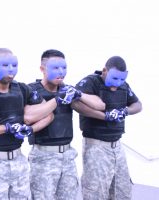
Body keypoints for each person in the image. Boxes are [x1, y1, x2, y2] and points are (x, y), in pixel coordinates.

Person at [0, 48, 70, 200]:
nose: (11, 69)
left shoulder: (22, 89)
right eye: (5, 65)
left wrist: (30, 129)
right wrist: (4, 128)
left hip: (18, 161)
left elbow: (48, 114)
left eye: (14, 65)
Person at [27, 49, 105, 200]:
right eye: (55, 68)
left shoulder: (67, 90)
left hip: (67, 157)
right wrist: (55, 100)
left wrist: (79, 94)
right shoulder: (31, 91)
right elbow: (28, 117)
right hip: (44, 157)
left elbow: (100, 105)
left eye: (64, 67)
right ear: (42, 69)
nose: (61, 72)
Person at [72, 56, 142, 200]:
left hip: (117, 146)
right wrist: (105, 116)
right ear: (104, 71)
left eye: (121, 79)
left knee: (122, 191)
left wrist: (125, 111)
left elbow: (138, 105)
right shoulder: (90, 82)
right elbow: (75, 104)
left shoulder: (123, 85)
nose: (117, 83)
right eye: (114, 78)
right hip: (96, 146)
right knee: (96, 193)